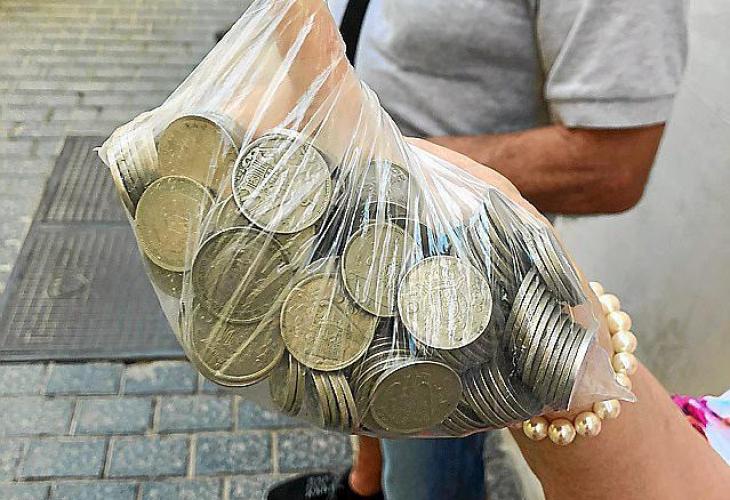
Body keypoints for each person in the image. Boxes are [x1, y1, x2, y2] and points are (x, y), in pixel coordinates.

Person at [268, 0, 688, 499]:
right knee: (362, 374)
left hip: (450, 269)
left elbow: (612, 164)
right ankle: (366, 484)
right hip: (359, 215)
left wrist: (380, 167)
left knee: (425, 468)